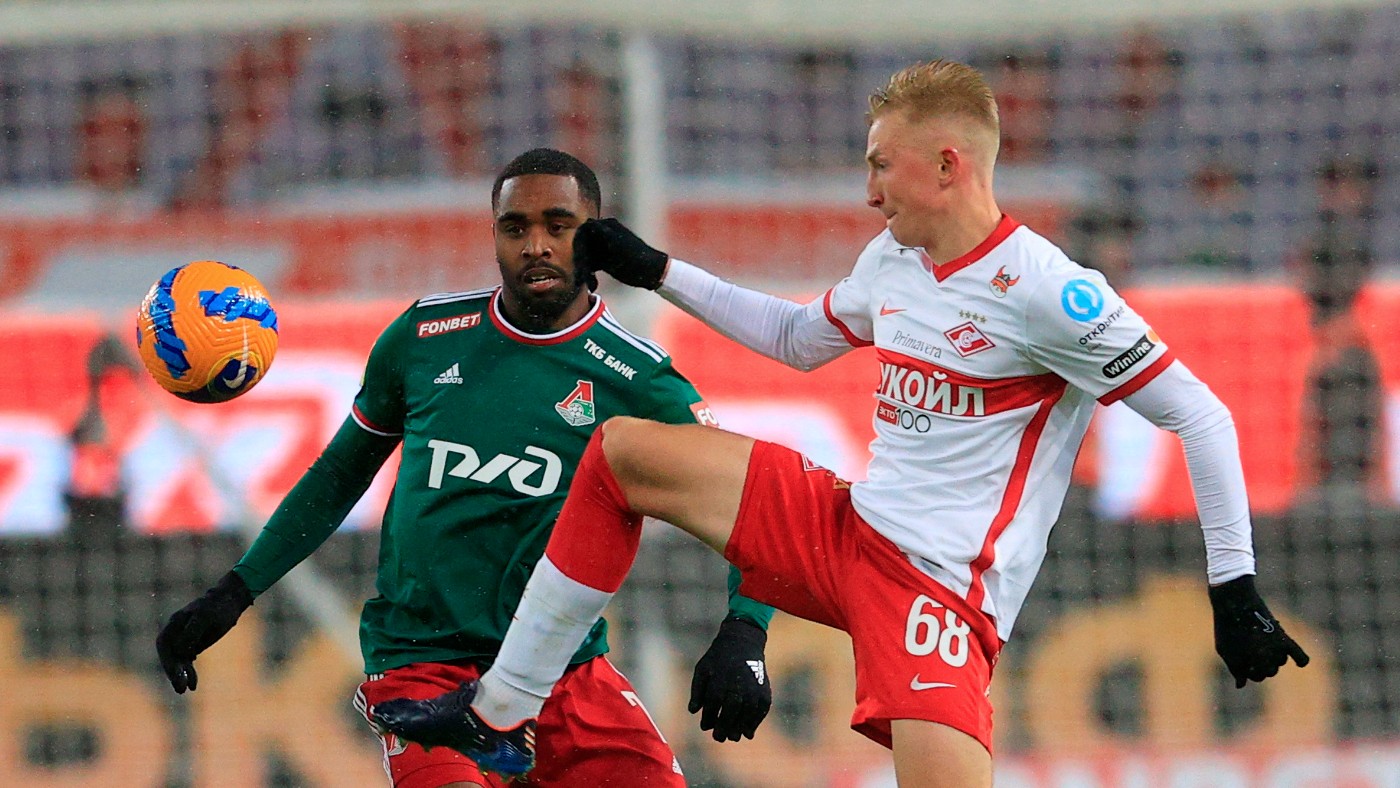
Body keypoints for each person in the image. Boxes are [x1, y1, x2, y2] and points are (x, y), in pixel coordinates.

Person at [372, 61, 1310, 787]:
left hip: (937, 593)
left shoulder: (1051, 293)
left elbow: (1202, 415)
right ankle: (500, 711)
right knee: (623, 455)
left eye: (880, 165)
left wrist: (1234, 587)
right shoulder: (893, 260)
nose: (869, 189)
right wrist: (659, 271)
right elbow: (794, 339)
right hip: (844, 529)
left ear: (946, 166)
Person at [155, 147, 776, 788]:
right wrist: (236, 591)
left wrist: (746, 632)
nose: (536, 245)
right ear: (495, 236)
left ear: (595, 235)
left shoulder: (639, 381)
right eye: (515, 228)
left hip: (563, 672)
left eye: (558, 226)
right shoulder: (424, 337)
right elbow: (339, 475)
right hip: (423, 666)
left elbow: (752, 505)